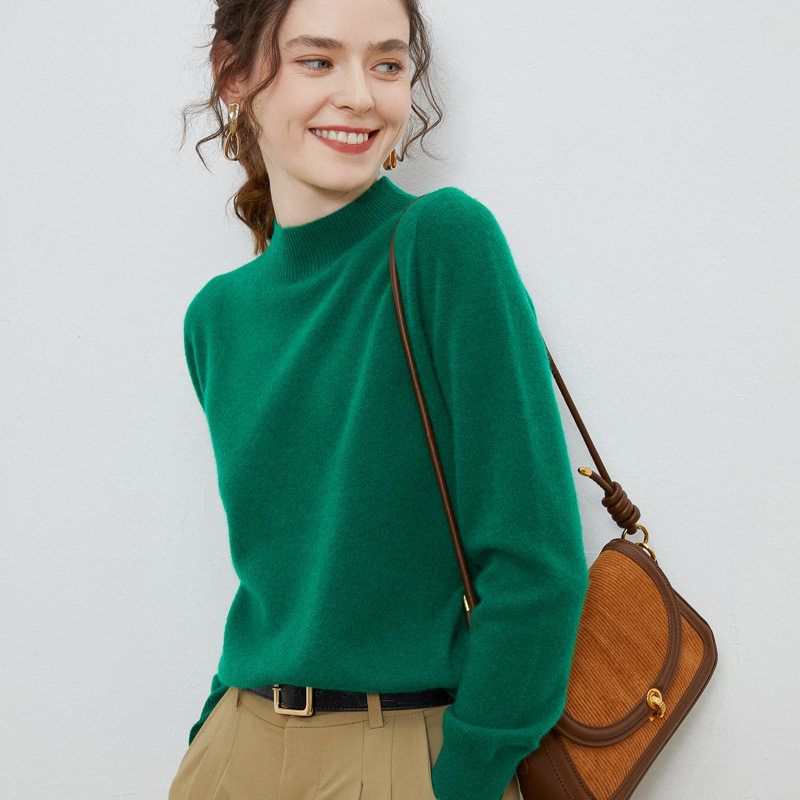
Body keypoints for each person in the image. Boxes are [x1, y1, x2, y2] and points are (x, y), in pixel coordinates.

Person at [169, 0, 590, 798]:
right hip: (235, 749)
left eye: (387, 64)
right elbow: (283, 577)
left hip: (399, 754)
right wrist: (211, 736)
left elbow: (536, 566)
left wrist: (467, 776)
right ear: (235, 78)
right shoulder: (216, 320)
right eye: (318, 60)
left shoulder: (442, 242)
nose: (360, 95)